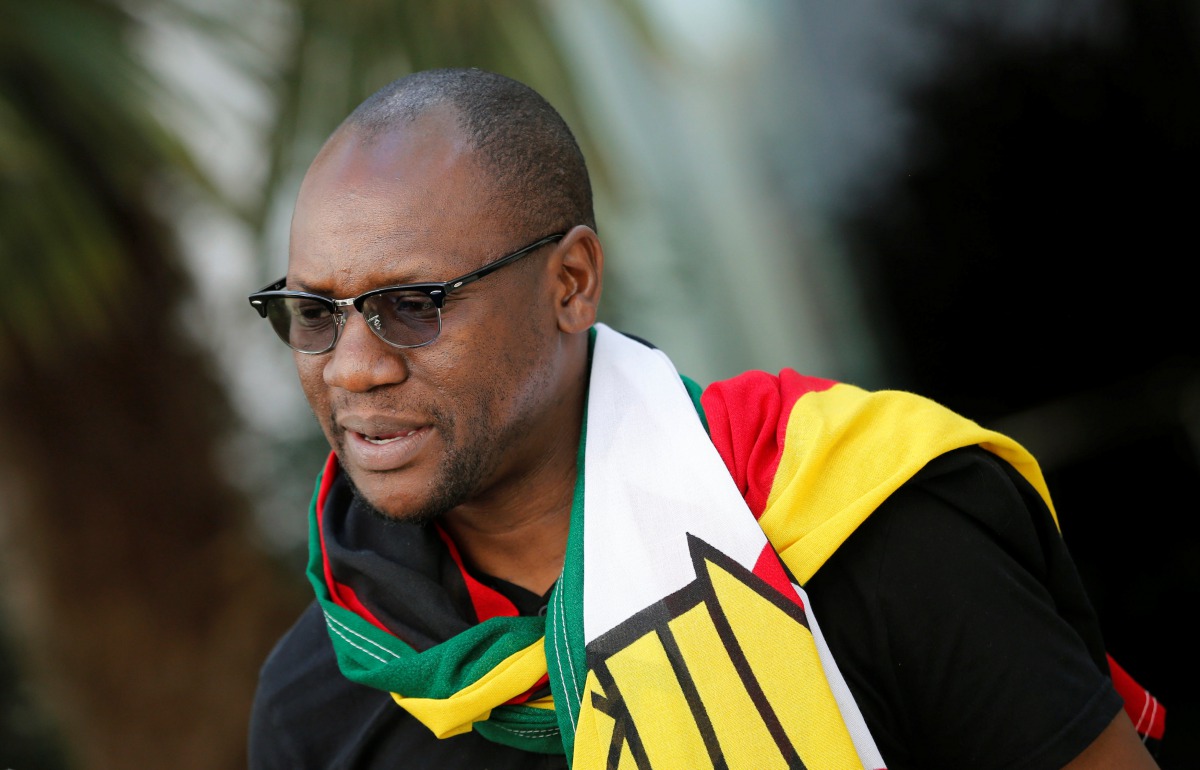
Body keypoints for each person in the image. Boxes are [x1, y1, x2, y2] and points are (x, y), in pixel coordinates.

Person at [245, 67, 1165, 769]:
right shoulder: (322, 704)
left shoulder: (845, 524)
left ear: (570, 283)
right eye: (314, 314)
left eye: (413, 303)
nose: (353, 367)